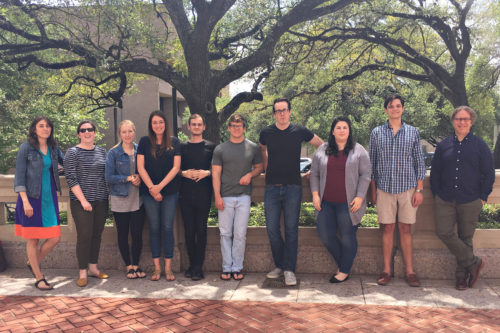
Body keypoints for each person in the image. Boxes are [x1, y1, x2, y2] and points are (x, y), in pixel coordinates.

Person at [259, 97, 323, 286]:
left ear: (290, 111)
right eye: (278, 111)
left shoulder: (299, 131)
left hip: (293, 187)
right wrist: (265, 167)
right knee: (272, 229)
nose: (281, 114)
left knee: (291, 230)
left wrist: (315, 169)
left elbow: (322, 145)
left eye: (284, 110)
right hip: (271, 187)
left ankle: (289, 269)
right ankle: (280, 265)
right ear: (274, 114)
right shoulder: (266, 133)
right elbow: (262, 149)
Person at [430, 106, 495, 290]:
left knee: (466, 237)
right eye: (458, 119)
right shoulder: (443, 146)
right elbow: (435, 173)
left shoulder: (480, 146)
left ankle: (461, 277)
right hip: (445, 198)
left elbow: (489, 173)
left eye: (466, 119)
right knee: (444, 232)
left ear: (471, 121)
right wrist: (436, 194)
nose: (462, 122)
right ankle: (473, 261)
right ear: (453, 121)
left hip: (470, 199)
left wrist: (482, 197)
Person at [369, 94, 426, 287]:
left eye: (398, 106)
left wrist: (420, 189)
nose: (395, 109)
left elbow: (419, 162)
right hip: (384, 188)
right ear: (385, 110)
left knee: (405, 229)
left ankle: (410, 271)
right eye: (391, 106)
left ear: (403, 109)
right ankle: (386, 270)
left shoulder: (413, 132)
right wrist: (373, 190)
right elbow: (373, 164)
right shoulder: (376, 133)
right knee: (387, 228)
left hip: (408, 188)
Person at [310, 116, 371, 283]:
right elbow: (314, 173)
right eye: (338, 127)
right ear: (332, 131)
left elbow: (366, 174)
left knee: (347, 236)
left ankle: (343, 270)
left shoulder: (358, 150)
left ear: (349, 130)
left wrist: (359, 196)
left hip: (349, 203)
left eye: (345, 127)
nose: (342, 130)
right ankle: (344, 264)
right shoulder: (322, 149)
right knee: (325, 234)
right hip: (326, 203)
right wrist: (315, 194)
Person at [14, 116, 64, 290]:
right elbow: (19, 177)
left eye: (48, 126)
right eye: (41, 126)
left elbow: (65, 164)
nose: (45, 128)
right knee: (33, 239)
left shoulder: (53, 147)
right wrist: (25, 202)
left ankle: (33, 262)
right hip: (32, 198)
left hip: (50, 197)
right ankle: (39, 277)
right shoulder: (26, 147)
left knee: (55, 237)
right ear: (34, 129)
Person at [212, 115, 262, 281]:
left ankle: (237, 267)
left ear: (244, 127)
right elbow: (216, 174)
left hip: (243, 196)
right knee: (225, 233)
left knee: (240, 234)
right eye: (233, 125)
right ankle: (227, 267)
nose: (236, 128)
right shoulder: (220, 149)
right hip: (225, 196)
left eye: (239, 125)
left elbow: (259, 167)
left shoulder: (253, 147)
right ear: (228, 128)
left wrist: (250, 174)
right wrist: (217, 196)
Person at [64, 120, 109, 287]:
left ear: (95, 133)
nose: (87, 132)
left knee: (97, 235)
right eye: (83, 130)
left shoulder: (102, 152)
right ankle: (82, 271)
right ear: (79, 134)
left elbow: (107, 174)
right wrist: (83, 200)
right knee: (84, 236)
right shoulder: (72, 152)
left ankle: (93, 268)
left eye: (90, 129)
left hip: (101, 201)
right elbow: (71, 177)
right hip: (81, 202)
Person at [137, 110, 181, 282]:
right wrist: (152, 189)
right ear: (151, 125)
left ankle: (168, 268)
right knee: (154, 229)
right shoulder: (144, 142)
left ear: (166, 124)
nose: (158, 125)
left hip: (170, 192)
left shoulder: (174, 142)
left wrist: (160, 187)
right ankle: (157, 268)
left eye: (161, 122)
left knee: (168, 228)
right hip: (149, 193)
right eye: (154, 122)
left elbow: (176, 168)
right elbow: (140, 168)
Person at [105, 120, 146, 279]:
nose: (127, 135)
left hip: (138, 199)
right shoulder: (113, 153)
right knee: (123, 234)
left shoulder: (140, 150)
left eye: (130, 131)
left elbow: (146, 171)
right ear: (119, 134)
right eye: (124, 132)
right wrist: (127, 178)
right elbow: (108, 177)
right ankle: (128, 266)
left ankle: (136, 264)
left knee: (137, 235)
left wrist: (140, 178)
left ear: (134, 132)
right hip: (119, 198)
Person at [179, 114, 215, 281]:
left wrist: (206, 172)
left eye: (199, 124)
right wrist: (183, 173)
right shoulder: (181, 147)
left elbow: (217, 168)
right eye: (193, 124)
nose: (196, 127)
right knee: (188, 231)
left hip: (204, 194)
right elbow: (173, 169)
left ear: (204, 127)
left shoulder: (211, 147)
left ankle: (198, 267)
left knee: (201, 231)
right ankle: (191, 265)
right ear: (188, 127)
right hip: (185, 195)